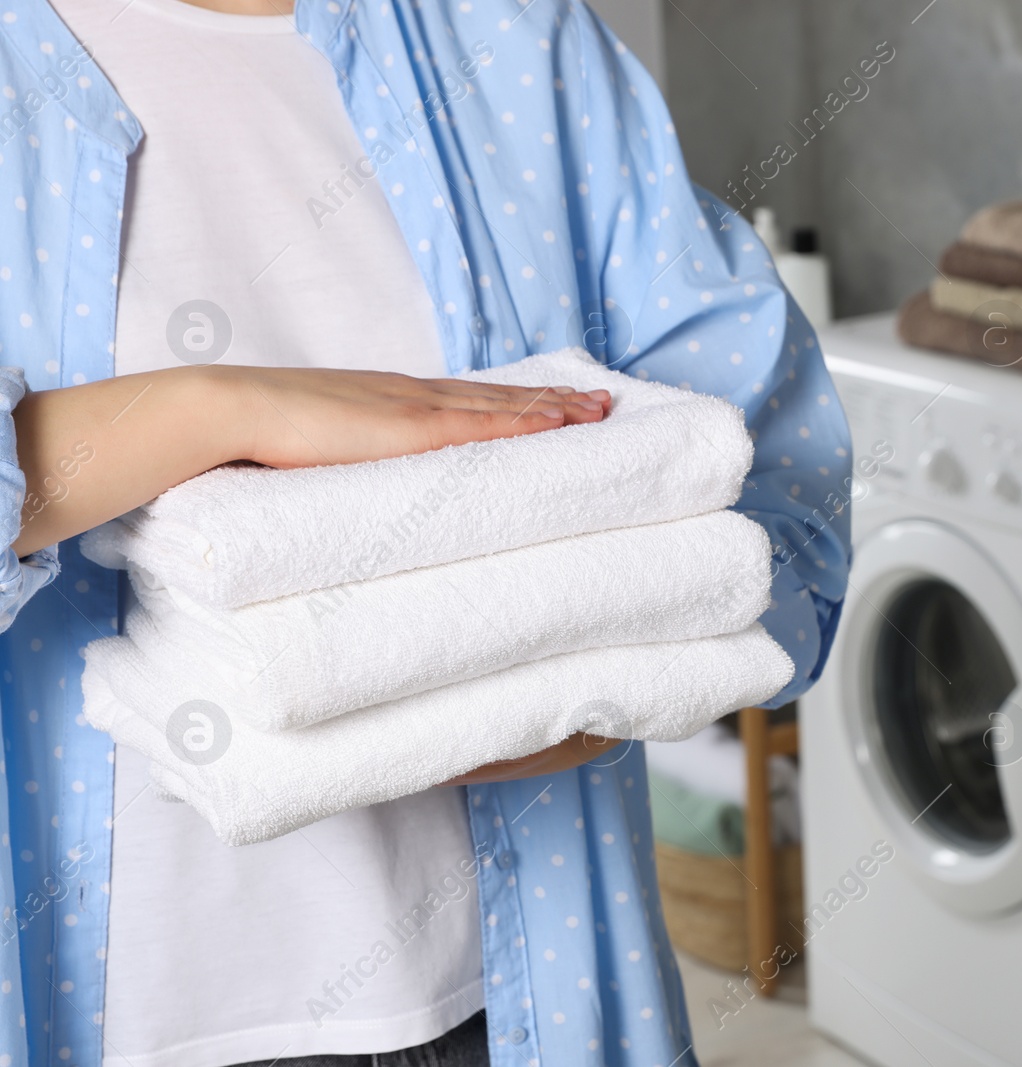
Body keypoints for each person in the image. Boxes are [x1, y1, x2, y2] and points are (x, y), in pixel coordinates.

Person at [0, 0, 851, 1061]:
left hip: (503, 1000)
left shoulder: (510, 36)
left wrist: (591, 680)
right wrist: (217, 408)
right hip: (102, 1018)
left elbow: (774, 468)